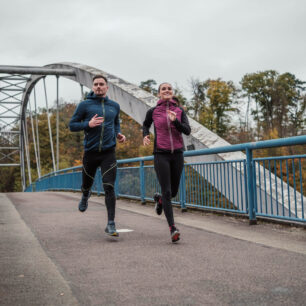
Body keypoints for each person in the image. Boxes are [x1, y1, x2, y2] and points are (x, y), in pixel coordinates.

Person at [69, 74, 126, 237]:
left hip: (109, 153)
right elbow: (72, 125)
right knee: (87, 183)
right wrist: (88, 124)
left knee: (109, 186)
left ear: (107, 87)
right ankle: (85, 195)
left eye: (102, 84)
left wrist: (119, 134)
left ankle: (111, 224)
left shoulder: (114, 106)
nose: (99, 86)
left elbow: (115, 124)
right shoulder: (84, 105)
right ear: (92, 87)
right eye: (96, 84)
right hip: (91, 153)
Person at [143, 83, 191, 243]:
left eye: (169, 89)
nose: (167, 91)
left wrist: (175, 121)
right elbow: (145, 124)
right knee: (167, 190)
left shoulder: (179, 111)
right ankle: (172, 228)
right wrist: (146, 135)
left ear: (172, 93)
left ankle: (161, 200)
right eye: (163, 89)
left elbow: (187, 130)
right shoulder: (153, 111)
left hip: (177, 154)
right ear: (159, 94)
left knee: (174, 191)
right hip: (160, 154)